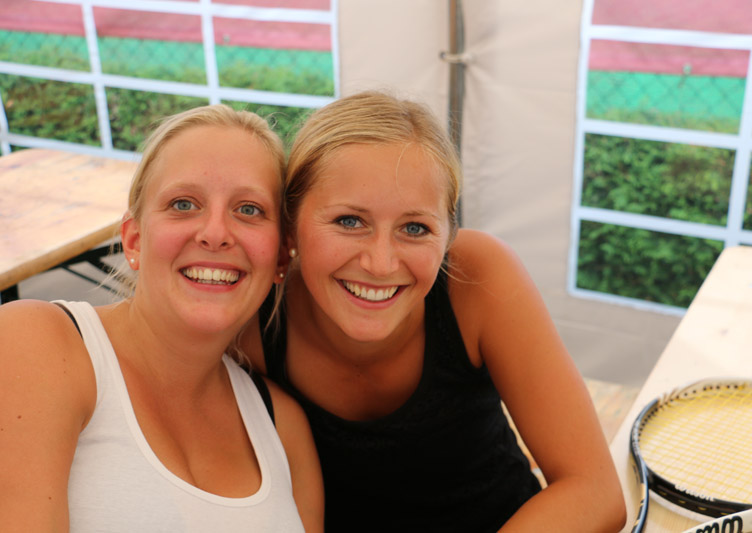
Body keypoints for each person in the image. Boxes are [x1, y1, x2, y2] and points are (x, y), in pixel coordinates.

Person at [241, 90, 626, 532]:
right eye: (349, 221)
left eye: (414, 227)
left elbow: (595, 491)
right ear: (290, 227)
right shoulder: (251, 325)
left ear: (448, 235)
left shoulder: (477, 278)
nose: (381, 263)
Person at [0, 105, 323, 532]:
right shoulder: (32, 347)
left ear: (281, 258)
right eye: (183, 204)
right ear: (134, 239)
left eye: (249, 209)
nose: (215, 233)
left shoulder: (282, 426)